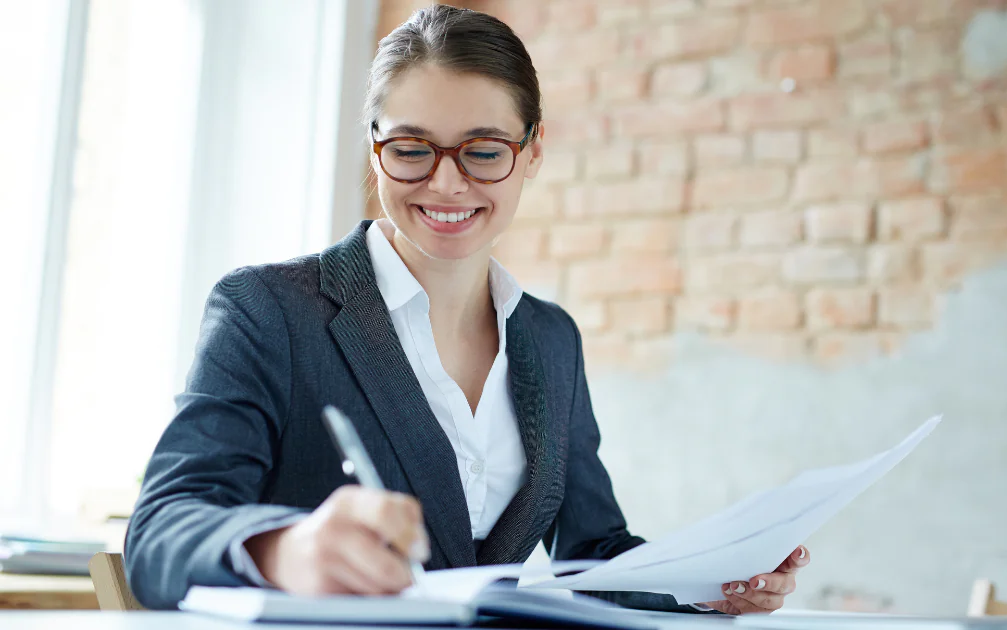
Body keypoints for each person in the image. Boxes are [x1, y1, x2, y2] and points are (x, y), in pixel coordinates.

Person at [124, 5, 808, 615]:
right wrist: (283, 549)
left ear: (533, 151)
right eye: (411, 149)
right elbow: (160, 530)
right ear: (374, 147)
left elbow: (594, 551)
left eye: (483, 151)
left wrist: (712, 581)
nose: (446, 182)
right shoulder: (269, 311)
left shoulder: (550, 339)